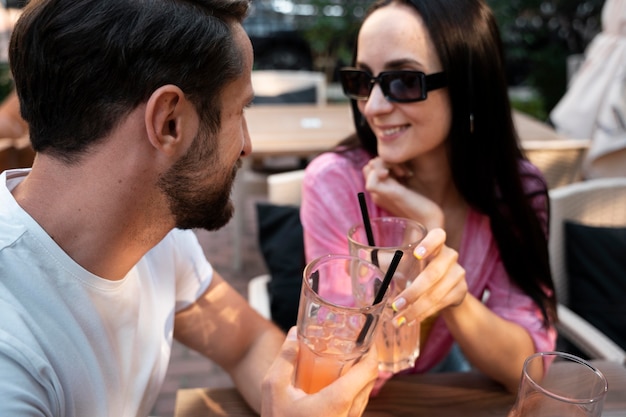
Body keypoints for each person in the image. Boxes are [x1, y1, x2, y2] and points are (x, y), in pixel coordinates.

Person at [0, 1, 378, 416]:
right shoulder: (11, 358)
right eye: (240, 112)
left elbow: (245, 344)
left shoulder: (147, 226)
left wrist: (299, 402)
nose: (246, 145)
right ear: (169, 123)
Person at [301, 0, 557, 394]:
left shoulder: (514, 192)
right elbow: (340, 362)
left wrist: (432, 233)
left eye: (403, 81)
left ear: (470, 88)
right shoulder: (335, 184)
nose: (373, 106)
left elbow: (528, 370)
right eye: (362, 81)